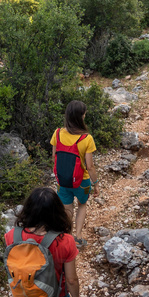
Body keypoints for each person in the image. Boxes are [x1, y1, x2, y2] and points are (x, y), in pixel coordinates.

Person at [51, 99, 99, 248]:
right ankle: (78, 237)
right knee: (82, 205)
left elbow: (54, 157)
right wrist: (95, 184)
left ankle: (67, 236)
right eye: (84, 114)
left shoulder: (57, 133)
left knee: (67, 208)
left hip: (63, 181)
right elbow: (90, 166)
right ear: (80, 116)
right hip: (82, 181)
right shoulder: (87, 138)